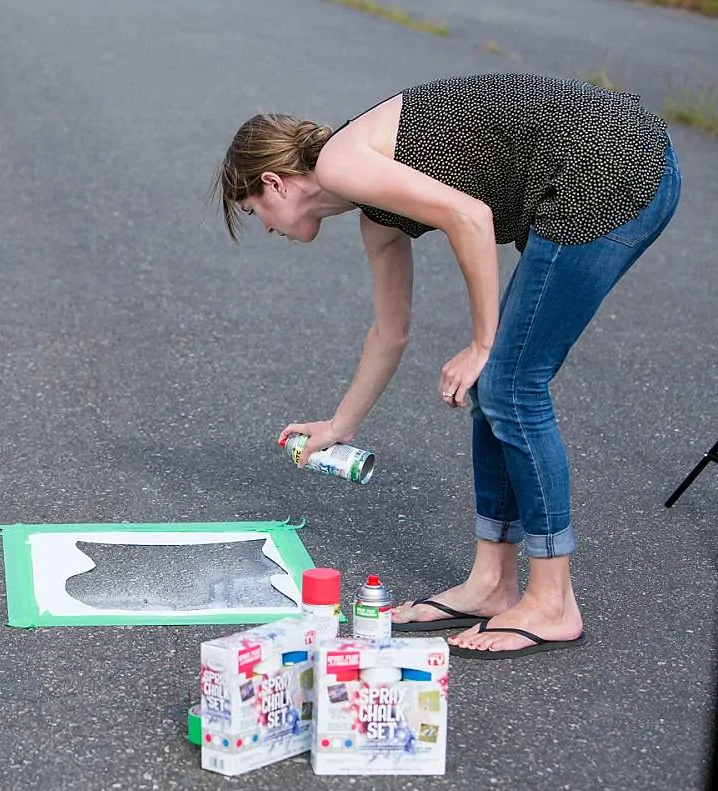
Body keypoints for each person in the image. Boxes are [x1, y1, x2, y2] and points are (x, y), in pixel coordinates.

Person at [210, 72, 680, 659]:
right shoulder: (374, 211)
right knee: (499, 387)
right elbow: (391, 331)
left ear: (275, 183)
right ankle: (491, 583)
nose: (265, 227)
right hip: (594, 171)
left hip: (612, 167)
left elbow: (471, 217)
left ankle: (553, 602)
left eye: (256, 210)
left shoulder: (341, 163)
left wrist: (483, 343)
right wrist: (340, 426)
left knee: (509, 382)